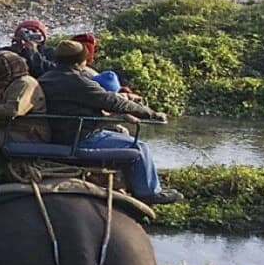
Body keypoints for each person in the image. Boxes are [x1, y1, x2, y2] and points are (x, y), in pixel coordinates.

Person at [38, 40, 182, 205]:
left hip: (57, 134)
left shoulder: (46, 78)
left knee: (120, 132)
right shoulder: (78, 83)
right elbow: (113, 101)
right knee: (139, 147)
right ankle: (148, 193)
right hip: (80, 137)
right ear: (81, 61)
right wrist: (151, 114)